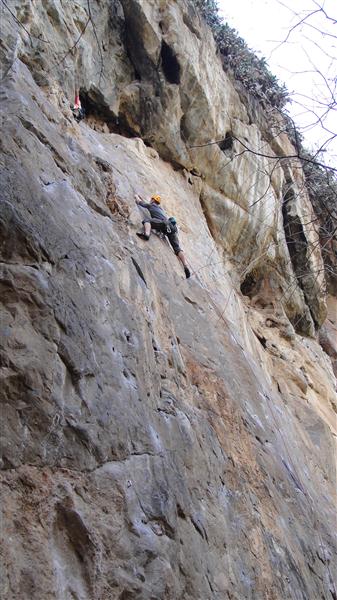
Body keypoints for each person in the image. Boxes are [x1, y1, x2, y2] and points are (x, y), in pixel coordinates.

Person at [135, 193, 191, 279]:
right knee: (177, 248)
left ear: (153, 200)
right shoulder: (161, 210)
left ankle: (146, 234)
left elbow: (140, 203)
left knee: (147, 220)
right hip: (171, 227)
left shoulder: (151, 205)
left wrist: (136, 196)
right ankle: (185, 266)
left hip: (163, 224)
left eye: (151, 199)